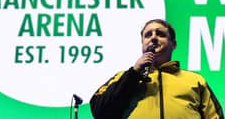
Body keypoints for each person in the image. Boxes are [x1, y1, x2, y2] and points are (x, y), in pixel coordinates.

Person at [90, 19, 224, 119]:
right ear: (142, 44)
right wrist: (134, 74)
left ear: (173, 44)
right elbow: (100, 111)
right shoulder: (123, 77)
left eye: (160, 34)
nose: (153, 37)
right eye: (148, 35)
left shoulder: (195, 80)